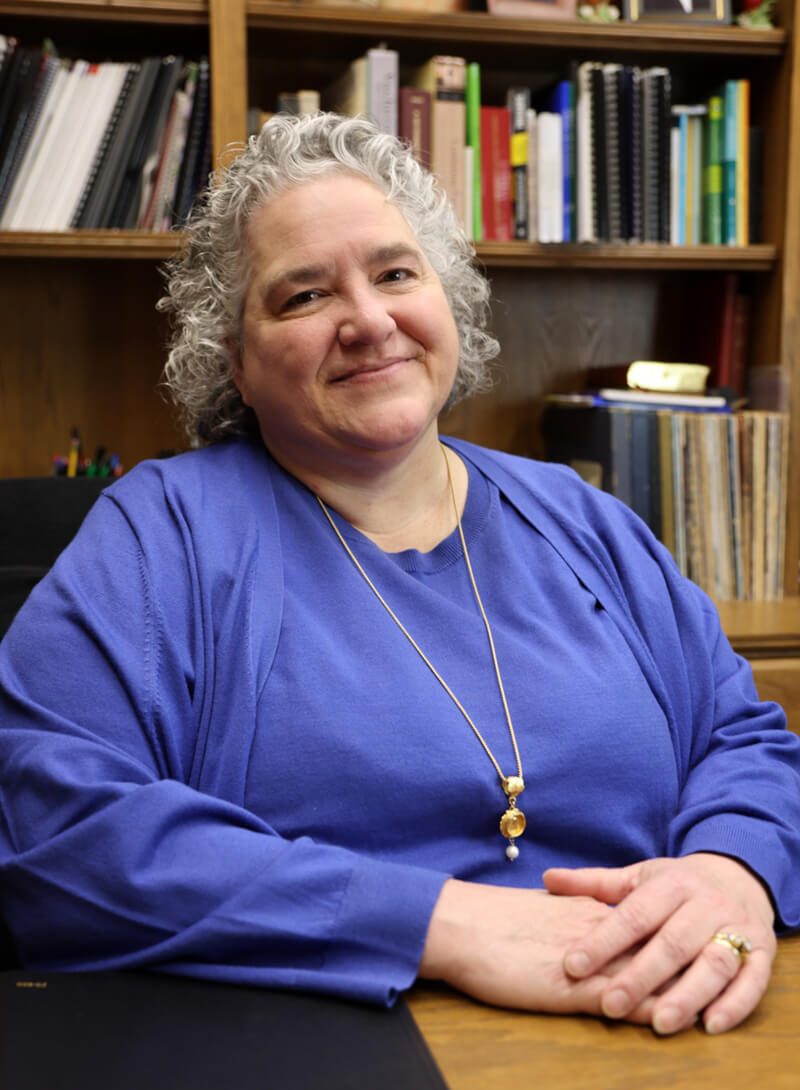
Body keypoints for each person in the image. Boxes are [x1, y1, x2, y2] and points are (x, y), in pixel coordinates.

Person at [0, 113, 798, 1038]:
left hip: (672, 1034)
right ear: (238, 365)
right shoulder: (162, 535)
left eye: (395, 274)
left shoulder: (583, 518)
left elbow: (745, 742)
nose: (370, 321)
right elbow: (57, 835)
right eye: (303, 296)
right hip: (331, 1048)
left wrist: (729, 871)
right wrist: (441, 923)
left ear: (445, 301)